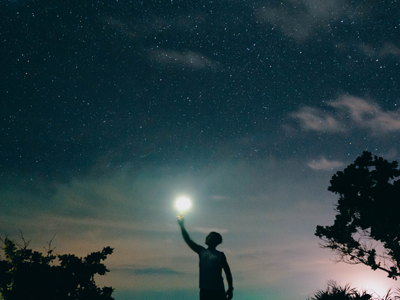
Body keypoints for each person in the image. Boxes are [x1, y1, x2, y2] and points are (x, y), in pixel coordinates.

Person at [177, 216, 233, 300]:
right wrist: (181, 226)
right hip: (205, 290)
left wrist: (230, 289)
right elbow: (188, 240)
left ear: (214, 240)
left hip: (217, 291)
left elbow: (228, 272)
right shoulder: (201, 251)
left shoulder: (220, 255)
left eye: (209, 236)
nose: (206, 237)